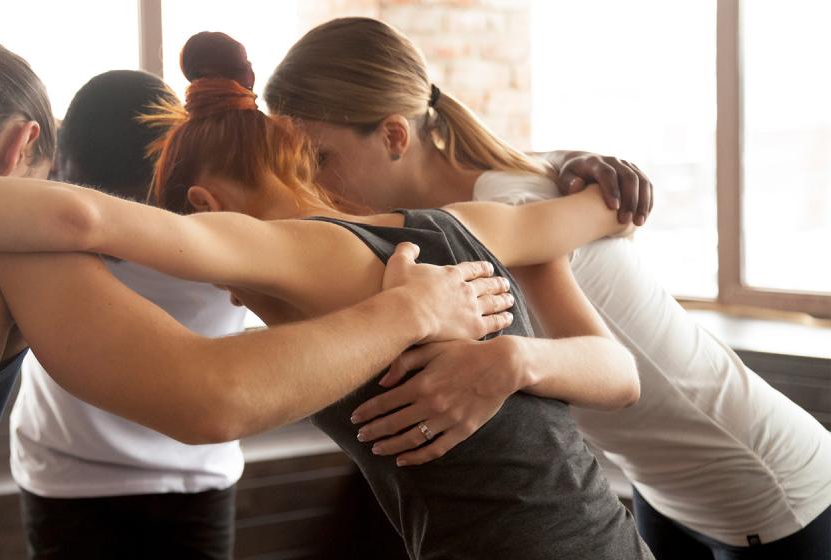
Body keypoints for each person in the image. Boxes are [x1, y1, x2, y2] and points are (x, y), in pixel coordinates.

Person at [0, 33, 659, 558]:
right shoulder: (461, 228)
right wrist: (586, 174)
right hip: (608, 536)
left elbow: (85, 224)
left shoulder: (289, 252)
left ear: (201, 196)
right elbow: (595, 226)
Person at [263, 16, 831, 559]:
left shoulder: (517, 210)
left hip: (771, 489)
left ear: (393, 135)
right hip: (665, 494)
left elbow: (616, 368)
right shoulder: (467, 217)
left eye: (319, 158)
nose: (310, 181)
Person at [13, 70, 246, 559]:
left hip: (73, 475)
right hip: (174, 477)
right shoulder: (225, 227)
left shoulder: (37, 223)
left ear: (64, 156)